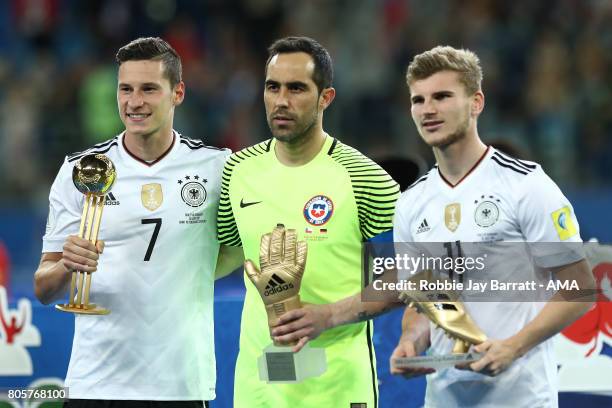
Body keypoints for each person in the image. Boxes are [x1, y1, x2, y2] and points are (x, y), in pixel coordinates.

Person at [272, 46, 595, 407]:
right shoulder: (413, 202)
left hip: (520, 397)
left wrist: (512, 347)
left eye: (442, 96)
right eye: (418, 99)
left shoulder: (525, 185)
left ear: (476, 102)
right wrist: (412, 340)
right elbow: (424, 294)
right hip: (444, 398)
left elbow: (579, 290)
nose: (428, 109)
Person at [34, 37, 229, 408]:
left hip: (181, 386)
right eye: (125, 89)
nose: (134, 102)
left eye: (149, 89)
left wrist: (196, 269)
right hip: (95, 385)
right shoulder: (81, 170)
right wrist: (66, 266)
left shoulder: (217, 167)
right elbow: (44, 289)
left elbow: (240, 247)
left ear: (178, 93)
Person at [216, 36, 400, 407]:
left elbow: (412, 273)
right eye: (273, 87)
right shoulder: (238, 170)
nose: (281, 101)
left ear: (325, 98)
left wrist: (329, 315)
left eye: (297, 88)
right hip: (260, 389)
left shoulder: (364, 177)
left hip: (338, 388)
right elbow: (222, 258)